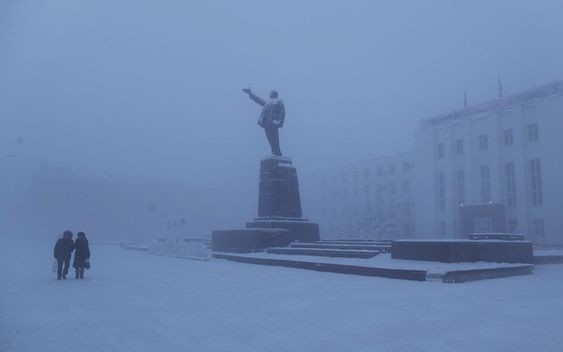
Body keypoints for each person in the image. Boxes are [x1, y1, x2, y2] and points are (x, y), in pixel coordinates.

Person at [242, 88, 286, 156]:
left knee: (275, 140)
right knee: (270, 140)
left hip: (273, 123)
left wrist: (279, 122)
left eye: (272, 93)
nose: (270, 94)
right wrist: (250, 93)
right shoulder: (268, 102)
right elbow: (259, 100)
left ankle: (278, 154)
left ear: (275, 94)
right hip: (266, 123)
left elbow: (283, 112)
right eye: (270, 93)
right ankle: (274, 153)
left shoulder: (279, 101)